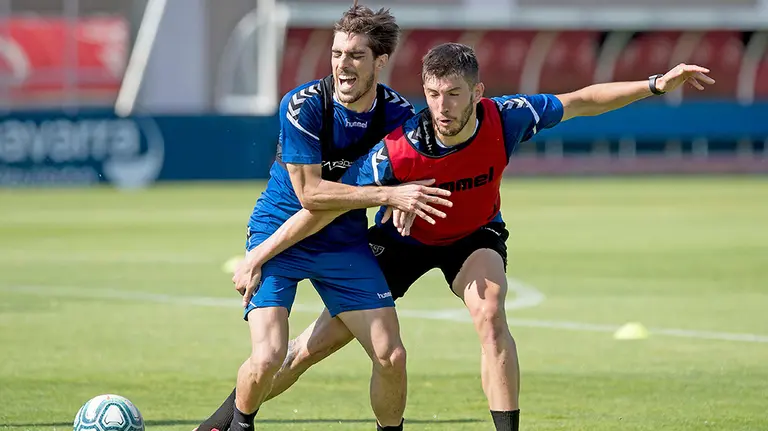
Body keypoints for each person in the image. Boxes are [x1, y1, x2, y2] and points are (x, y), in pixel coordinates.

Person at [199, 43, 714, 431]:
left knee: (491, 313)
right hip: (401, 243)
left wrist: (655, 85)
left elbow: (580, 100)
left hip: (473, 237)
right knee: (311, 350)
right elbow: (320, 206)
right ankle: (229, 414)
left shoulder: (508, 117)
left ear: (478, 94)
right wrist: (262, 252)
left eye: (453, 95)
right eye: (432, 95)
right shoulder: (397, 150)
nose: (441, 107)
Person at [215, 5, 456, 431]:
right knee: (269, 355)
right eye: (336, 53)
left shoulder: (399, 114)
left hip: (344, 242)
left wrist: (401, 205)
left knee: (391, 355)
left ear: (380, 62)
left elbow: (416, 175)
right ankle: (238, 424)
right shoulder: (303, 105)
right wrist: (389, 196)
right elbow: (312, 195)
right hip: (280, 232)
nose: (342, 65)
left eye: (356, 55)